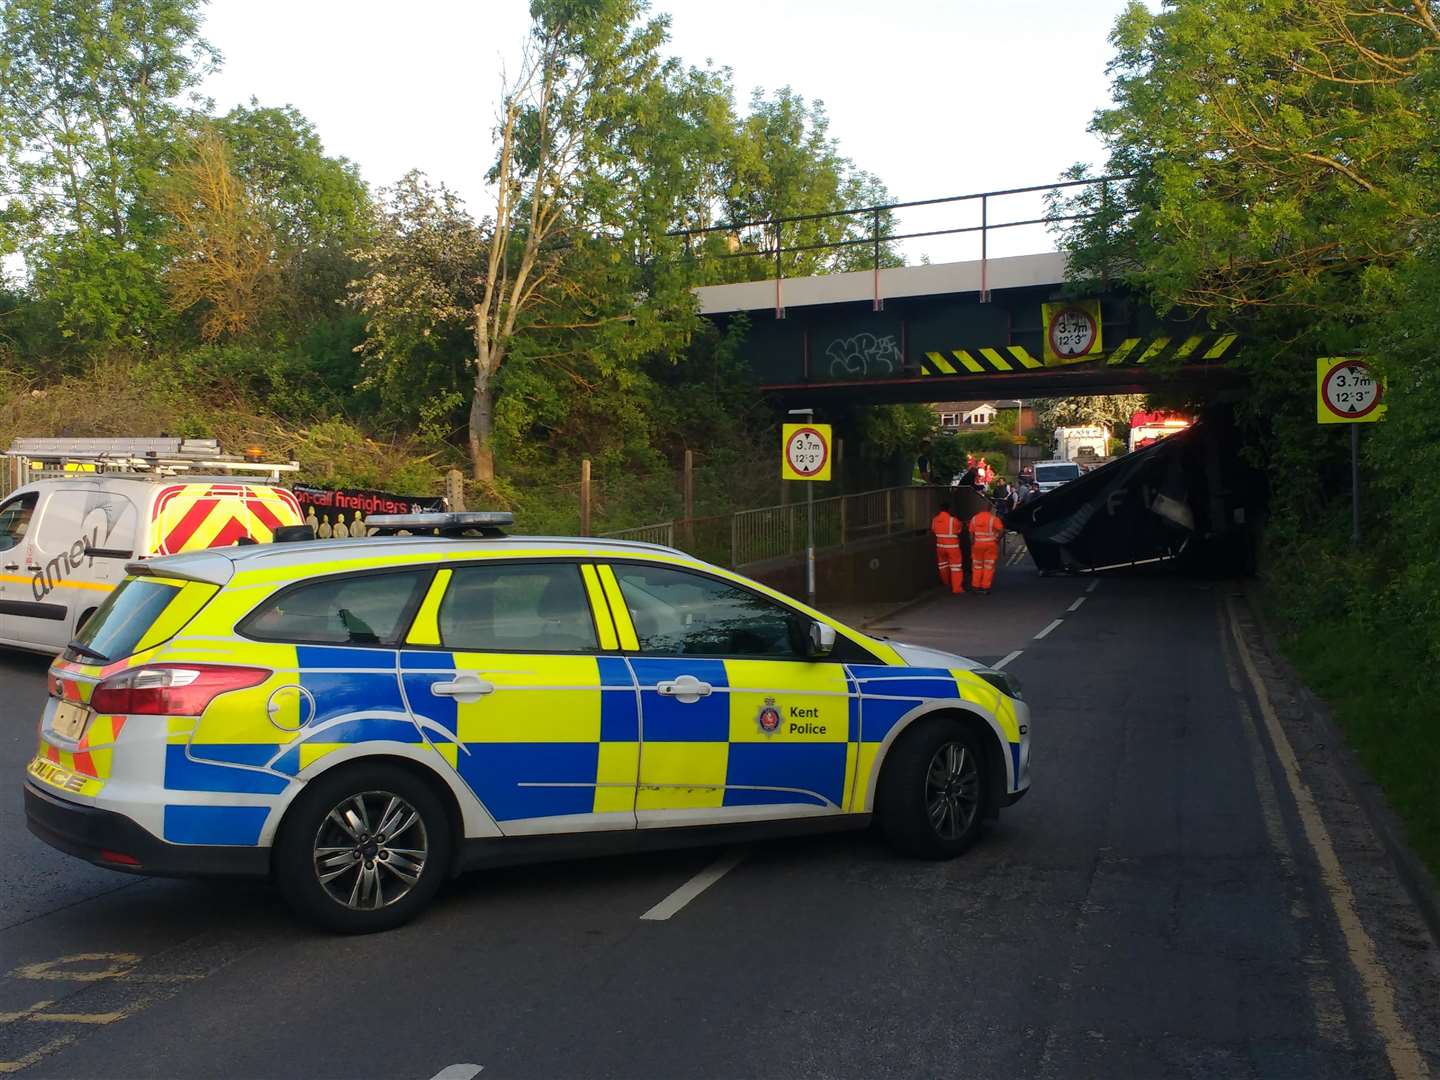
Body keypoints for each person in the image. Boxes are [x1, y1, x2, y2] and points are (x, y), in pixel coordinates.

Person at [968, 501, 1005, 594]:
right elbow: (1002, 530)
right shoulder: (993, 519)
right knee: (988, 567)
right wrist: (997, 539)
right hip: (990, 545)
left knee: (977, 566)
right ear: (989, 509)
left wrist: (972, 543)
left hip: (977, 545)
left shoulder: (974, 519)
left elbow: (971, 533)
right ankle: (985, 587)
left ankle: (975, 586)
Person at [930, 501, 962, 594]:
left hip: (940, 546)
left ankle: (946, 583)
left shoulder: (935, 519)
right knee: (956, 567)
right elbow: (959, 530)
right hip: (952, 547)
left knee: (943, 565)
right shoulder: (953, 520)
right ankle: (956, 588)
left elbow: (933, 530)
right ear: (949, 509)